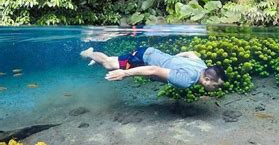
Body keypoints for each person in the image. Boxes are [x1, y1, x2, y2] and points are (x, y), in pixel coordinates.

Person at [80, 46, 226, 91]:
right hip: (144, 59)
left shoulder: (202, 66)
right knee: (109, 65)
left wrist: (171, 60)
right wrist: (125, 73)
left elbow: (190, 53)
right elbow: (154, 70)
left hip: (151, 52)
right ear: (207, 79)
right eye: (215, 86)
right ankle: (89, 53)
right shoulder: (187, 80)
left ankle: (94, 58)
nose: (216, 89)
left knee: (114, 61)